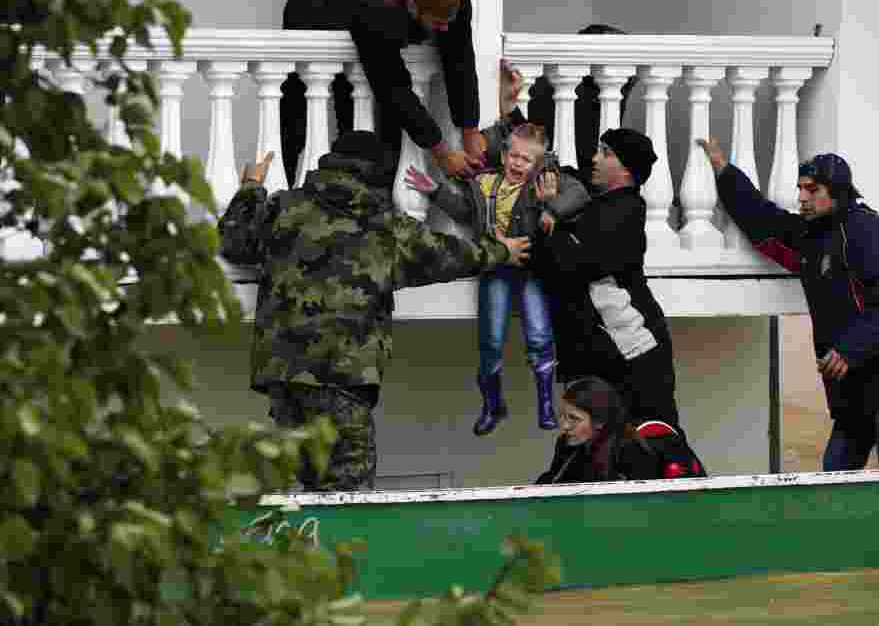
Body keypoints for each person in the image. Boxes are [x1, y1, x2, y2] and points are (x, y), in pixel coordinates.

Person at [217, 132, 530, 491]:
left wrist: (252, 187)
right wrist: (502, 251)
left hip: (284, 378)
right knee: (347, 495)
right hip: (343, 378)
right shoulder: (384, 225)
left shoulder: (284, 208)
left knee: (308, 490)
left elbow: (233, 239)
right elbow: (449, 254)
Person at [697, 136, 879, 471]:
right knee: (835, 472)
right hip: (851, 380)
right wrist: (723, 170)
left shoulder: (873, 232)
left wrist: (849, 350)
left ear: (837, 191)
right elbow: (762, 220)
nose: (802, 197)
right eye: (801, 189)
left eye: (813, 190)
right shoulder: (810, 236)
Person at [404, 109, 589, 436]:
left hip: (531, 269)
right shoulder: (485, 182)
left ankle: (546, 404)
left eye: (526, 160)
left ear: (538, 163)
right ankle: (492, 405)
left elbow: (579, 194)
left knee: (539, 335)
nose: (518, 164)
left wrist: (552, 209)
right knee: (490, 340)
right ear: (504, 155)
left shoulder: (544, 183)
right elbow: (464, 212)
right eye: (514, 156)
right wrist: (434, 190)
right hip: (495, 267)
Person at [533, 128, 701, 457]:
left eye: (605, 152)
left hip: (634, 353)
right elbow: (555, 166)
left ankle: (681, 501)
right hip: (605, 353)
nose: (595, 158)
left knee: (656, 442)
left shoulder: (625, 212)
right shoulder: (599, 205)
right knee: (594, 447)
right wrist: (513, 114)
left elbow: (572, 265)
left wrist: (552, 215)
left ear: (625, 169)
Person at [280, 0, 485, 185]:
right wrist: (441, 152)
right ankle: (284, 179)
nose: (445, 30)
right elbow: (392, 86)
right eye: (437, 24)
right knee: (302, 107)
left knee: (361, 110)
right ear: (411, 6)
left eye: (448, 21)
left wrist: (470, 129)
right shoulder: (376, 7)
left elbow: (460, 61)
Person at [535, 377, 661, 484]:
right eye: (562, 415)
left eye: (574, 418)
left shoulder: (630, 449)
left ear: (600, 422)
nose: (565, 426)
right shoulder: (566, 443)